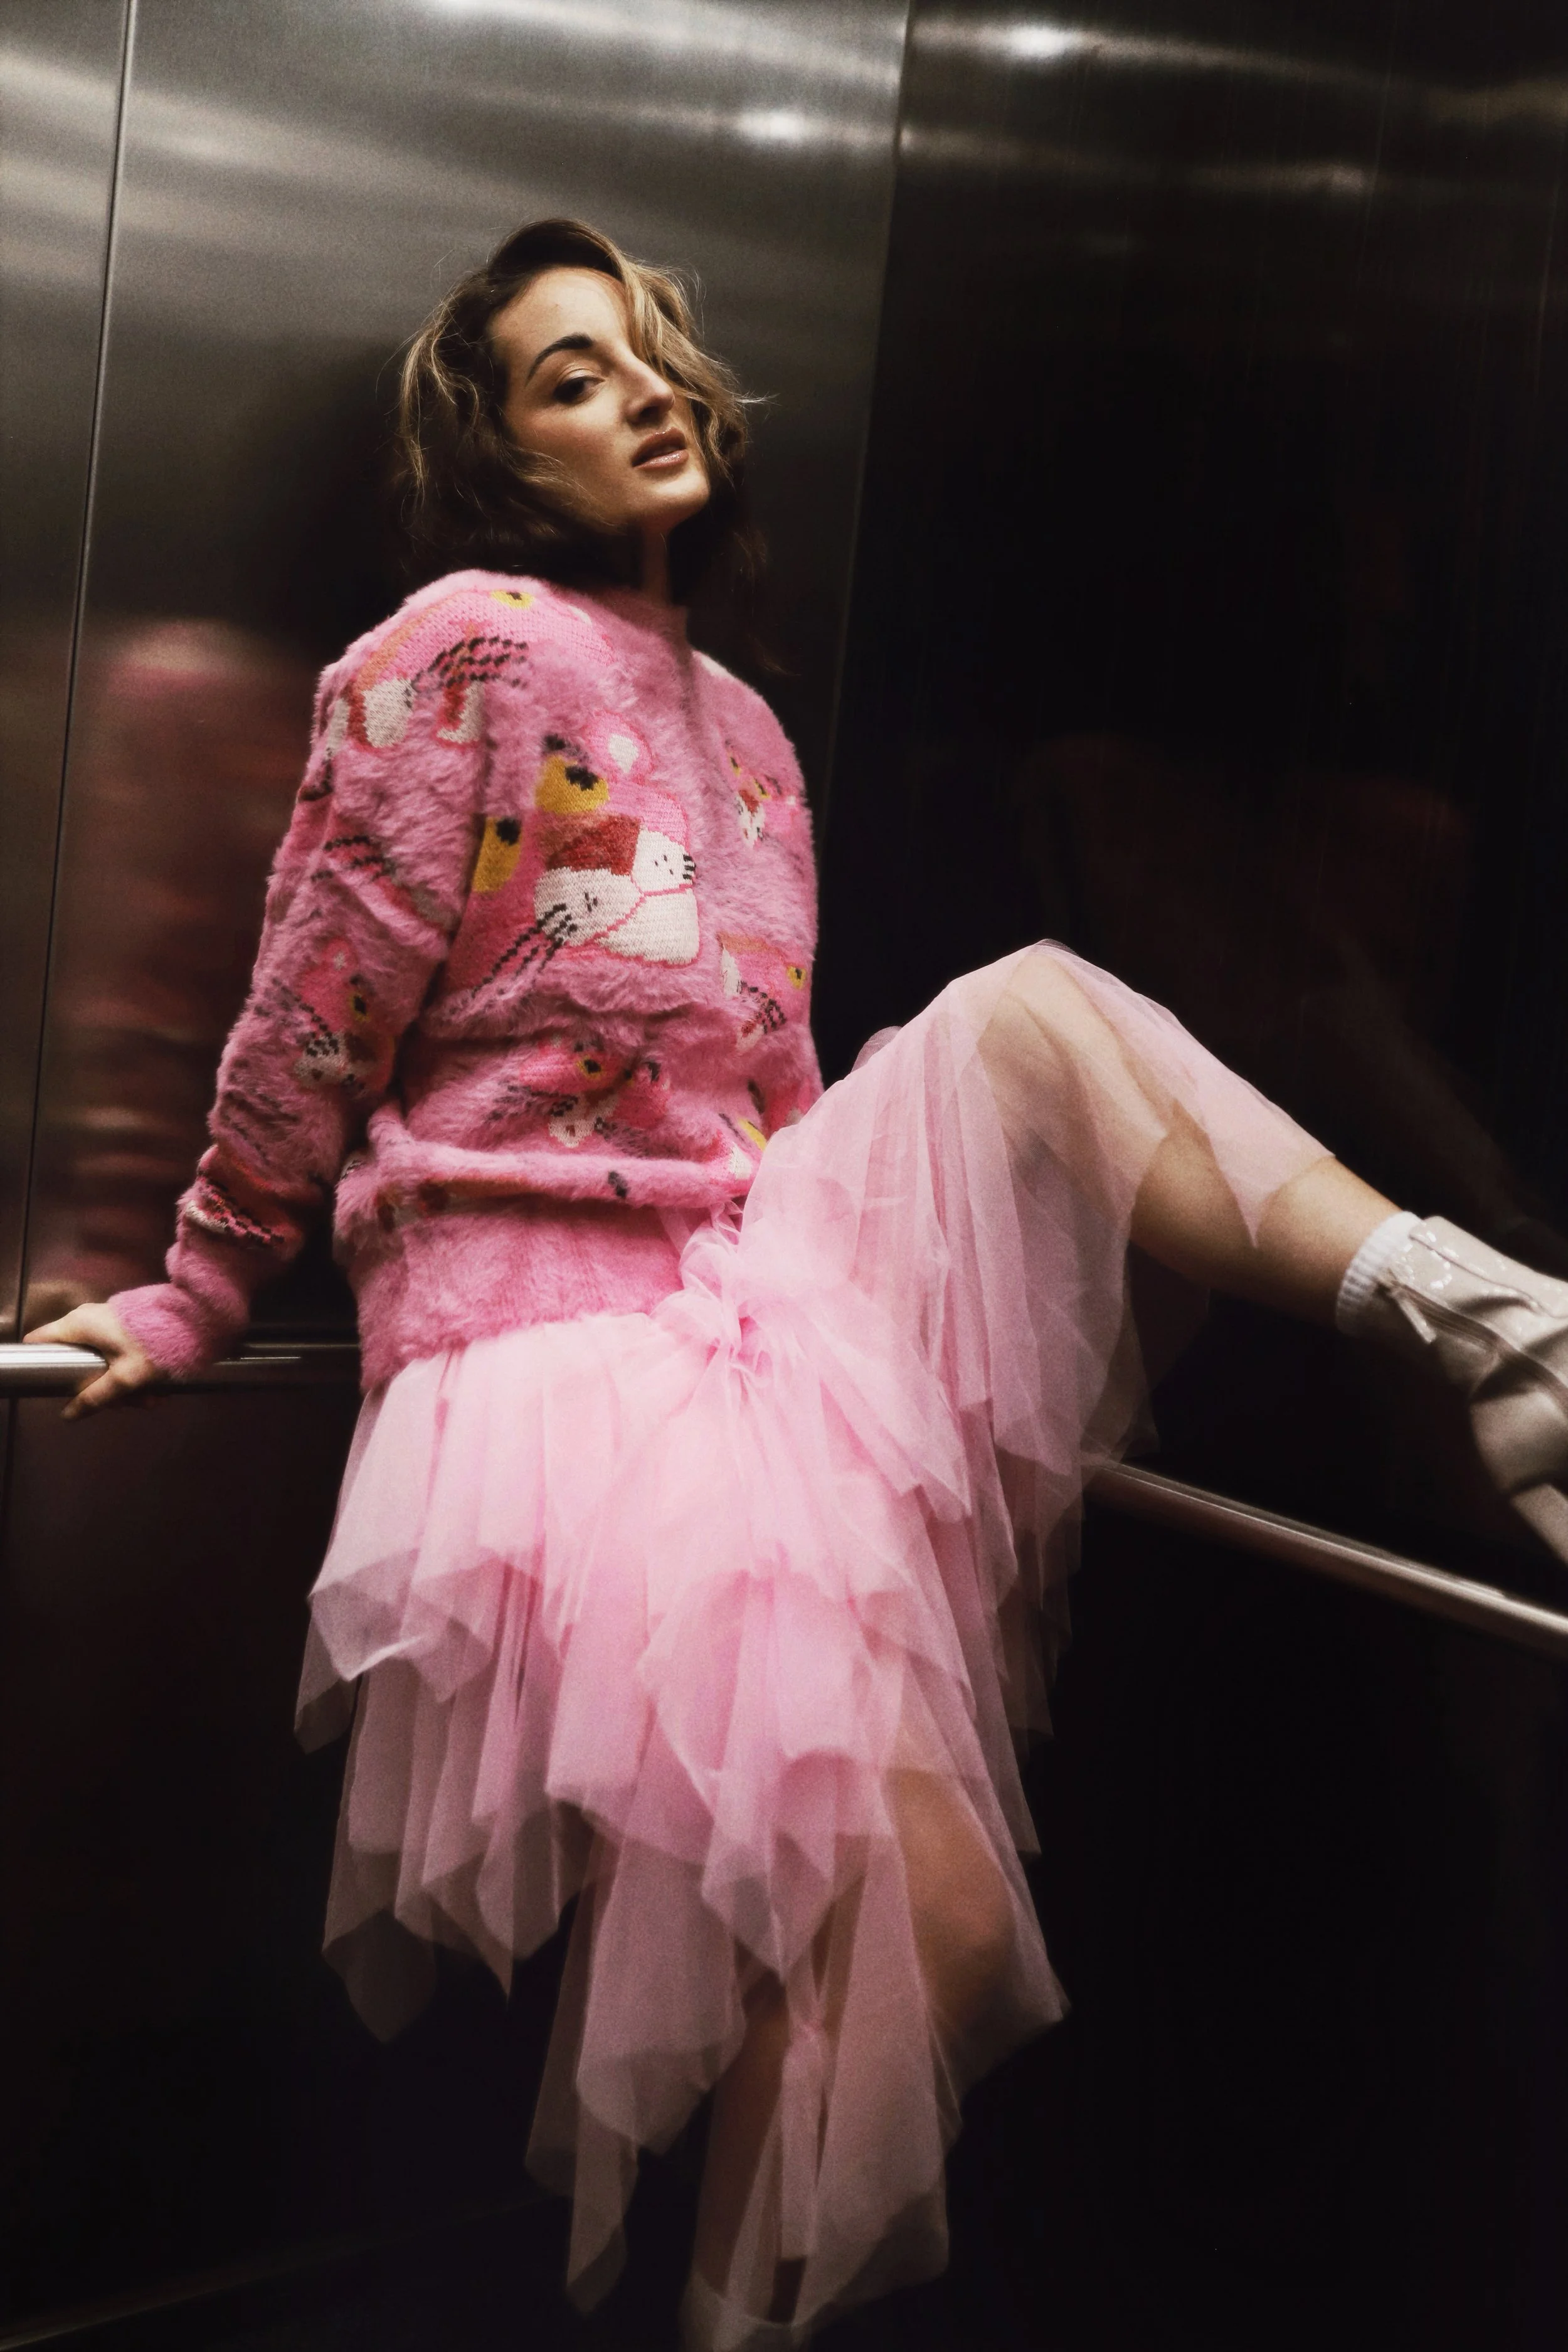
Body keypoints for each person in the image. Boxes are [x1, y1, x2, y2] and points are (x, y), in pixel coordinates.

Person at [27, 218, 1568, 2349]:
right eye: (572, 374)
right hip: (547, 1353)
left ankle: (1479, 1314)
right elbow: (316, 1004)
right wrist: (195, 1287)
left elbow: (770, 1089)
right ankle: (1490, 1324)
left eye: (651, 349)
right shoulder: (454, 652)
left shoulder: (748, 731)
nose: (643, 387)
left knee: (1030, 1023)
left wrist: (865, 1266)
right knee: (919, 1918)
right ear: (496, 448)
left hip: (737, 1321)